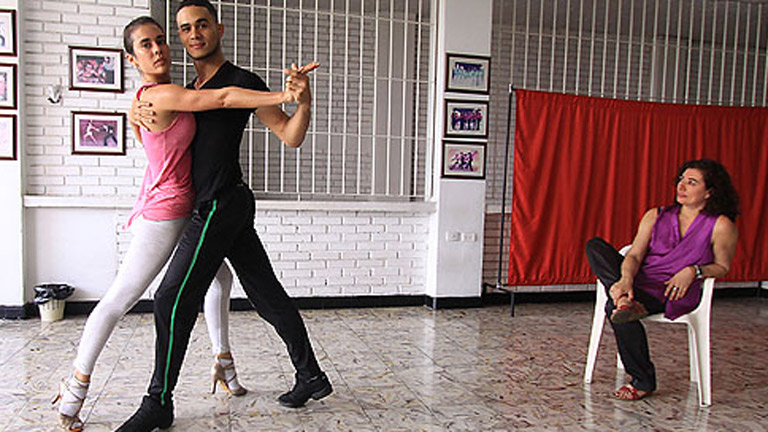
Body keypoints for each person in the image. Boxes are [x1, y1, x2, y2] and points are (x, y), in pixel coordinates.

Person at [52, 15, 302, 432]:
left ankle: (224, 363)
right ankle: (74, 390)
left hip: (188, 205)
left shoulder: (163, 94)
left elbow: (165, 137)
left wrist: (134, 111)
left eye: (161, 40)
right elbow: (223, 98)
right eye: (146, 45)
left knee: (220, 278)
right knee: (121, 298)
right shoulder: (163, 94)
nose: (158, 49)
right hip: (167, 212)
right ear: (132, 59)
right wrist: (283, 95)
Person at [117, 2, 330, 430]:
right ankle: (311, 375)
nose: (194, 34)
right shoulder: (187, 89)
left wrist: (302, 102)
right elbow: (162, 135)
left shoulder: (243, 82)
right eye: (184, 29)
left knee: (170, 298)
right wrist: (133, 112)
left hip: (219, 204)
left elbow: (290, 135)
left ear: (219, 28)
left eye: (202, 25)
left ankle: (158, 401)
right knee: (266, 294)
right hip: (222, 203)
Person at [586, 158, 739, 401]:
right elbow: (634, 255)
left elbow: (722, 267)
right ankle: (625, 299)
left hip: (673, 291)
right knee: (595, 246)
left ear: (709, 191)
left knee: (612, 307)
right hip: (640, 282)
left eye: (692, 182)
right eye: (681, 180)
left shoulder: (721, 225)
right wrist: (625, 279)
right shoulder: (655, 215)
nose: (682, 186)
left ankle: (642, 380)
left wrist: (694, 271)